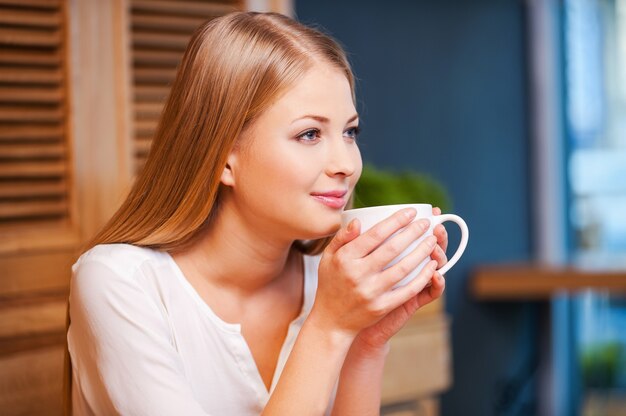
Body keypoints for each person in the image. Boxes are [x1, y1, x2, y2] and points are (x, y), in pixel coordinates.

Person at [64, 11, 449, 416]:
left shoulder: (336, 285)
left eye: (349, 132)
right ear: (224, 158)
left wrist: (367, 344)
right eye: (309, 134)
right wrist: (329, 327)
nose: (347, 164)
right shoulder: (119, 283)